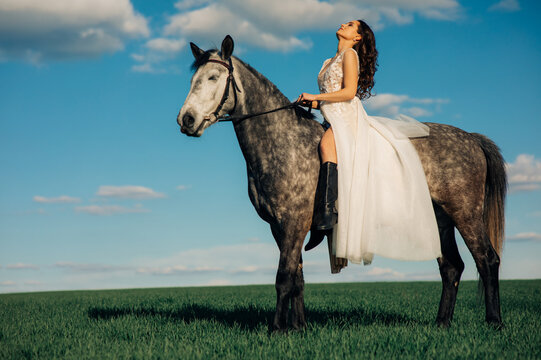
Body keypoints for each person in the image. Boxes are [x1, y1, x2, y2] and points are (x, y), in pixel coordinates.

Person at [298, 20, 441, 266]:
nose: (344, 24)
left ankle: (325, 216)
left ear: (357, 37)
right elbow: (327, 100)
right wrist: (309, 103)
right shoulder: (326, 62)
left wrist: (317, 96)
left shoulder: (350, 55)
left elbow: (348, 92)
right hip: (330, 114)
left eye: (351, 24)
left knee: (326, 145)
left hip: (346, 116)